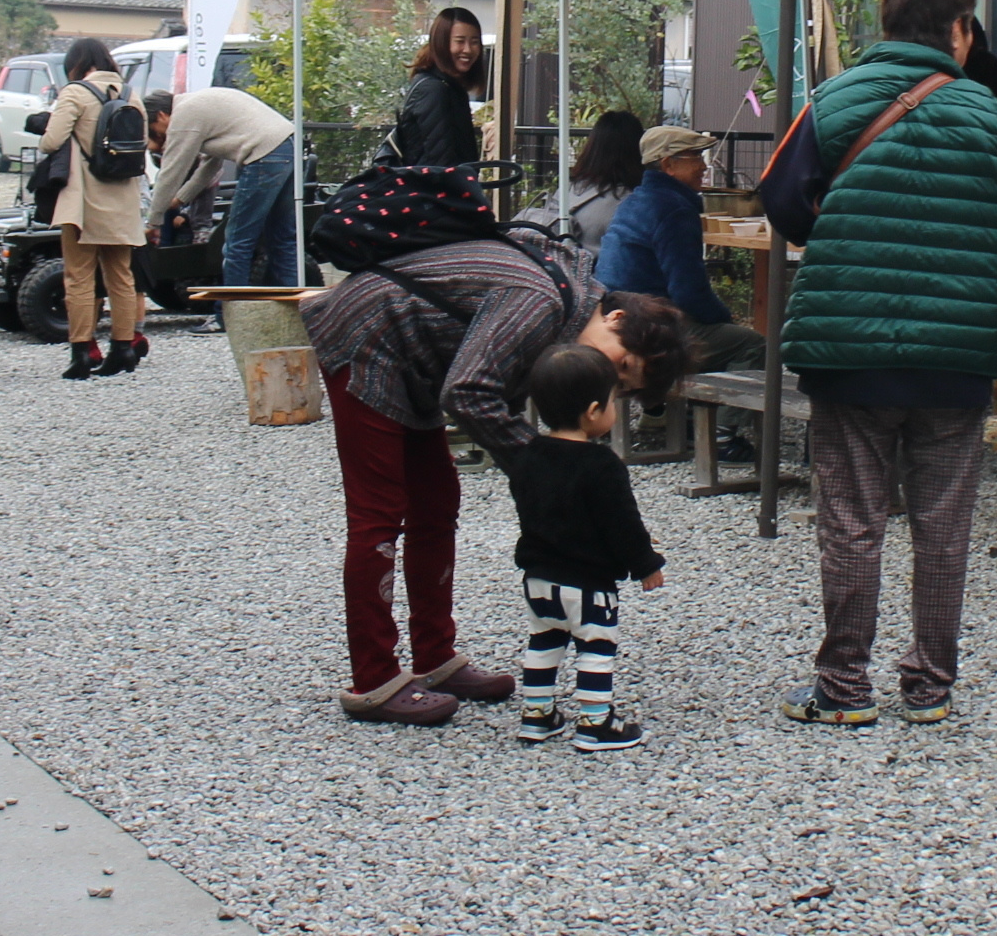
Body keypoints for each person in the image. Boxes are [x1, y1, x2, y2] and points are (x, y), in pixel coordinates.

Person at [300, 234, 689, 728]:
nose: (609, 383)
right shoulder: (544, 301)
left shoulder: (565, 310)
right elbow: (469, 391)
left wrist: (549, 470)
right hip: (368, 337)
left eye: (622, 387)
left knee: (437, 503)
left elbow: (478, 390)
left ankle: (435, 659)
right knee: (378, 513)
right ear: (616, 318)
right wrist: (554, 473)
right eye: (623, 367)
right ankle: (373, 680)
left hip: (415, 359)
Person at [770, 0, 997, 726]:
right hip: (955, 353)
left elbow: (783, 202)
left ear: (887, 22)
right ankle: (930, 688)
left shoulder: (833, 100)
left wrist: (844, 234)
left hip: (849, 350)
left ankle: (844, 689)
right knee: (943, 526)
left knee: (852, 520)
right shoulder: (991, 116)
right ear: (960, 32)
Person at [507, 343, 665, 753]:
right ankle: (595, 723)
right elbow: (622, 523)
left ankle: (537, 715)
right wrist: (645, 564)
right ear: (594, 410)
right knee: (595, 648)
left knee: (544, 642)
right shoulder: (601, 465)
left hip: (539, 580)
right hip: (588, 584)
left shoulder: (526, 457)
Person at [595, 126, 766, 372]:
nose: (704, 166)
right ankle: (721, 409)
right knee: (751, 344)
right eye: (695, 157)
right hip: (649, 325)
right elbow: (689, 292)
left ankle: (669, 408)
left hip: (616, 316)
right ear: (668, 165)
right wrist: (725, 319)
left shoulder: (633, 201)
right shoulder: (675, 210)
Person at [36, 37, 147, 380]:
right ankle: (124, 348)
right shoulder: (131, 95)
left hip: (84, 199)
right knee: (122, 277)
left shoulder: (75, 93)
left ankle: (82, 352)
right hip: (123, 199)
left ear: (78, 63)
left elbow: (50, 141)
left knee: (79, 278)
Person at [143, 85, 299, 290]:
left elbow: (171, 173)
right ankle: (295, 313)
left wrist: (152, 222)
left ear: (161, 116)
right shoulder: (198, 105)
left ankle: (232, 314)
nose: (160, 140)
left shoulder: (183, 117)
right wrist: (180, 199)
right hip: (287, 147)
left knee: (237, 241)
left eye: (154, 132)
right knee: (282, 238)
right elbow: (210, 166)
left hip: (263, 155)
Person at [510, 109, 644, 252]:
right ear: (637, 150)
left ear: (592, 147)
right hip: (592, 272)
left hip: (549, 269)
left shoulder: (568, 189)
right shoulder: (630, 203)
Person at [390, 6, 486, 169]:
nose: (468, 50)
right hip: (433, 192)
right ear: (441, 43)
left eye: (475, 42)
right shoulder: (434, 89)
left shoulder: (448, 87)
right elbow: (441, 163)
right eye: (460, 41)